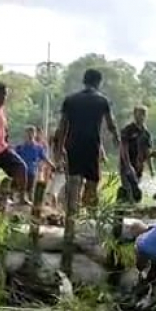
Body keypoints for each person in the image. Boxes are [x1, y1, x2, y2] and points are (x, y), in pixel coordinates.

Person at [56, 69, 119, 208]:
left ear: (84, 81)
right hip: (91, 145)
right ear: (98, 82)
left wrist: (60, 148)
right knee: (92, 182)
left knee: (73, 181)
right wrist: (116, 138)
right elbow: (111, 124)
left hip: (73, 145)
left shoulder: (70, 100)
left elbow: (62, 127)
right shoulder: (102, 100)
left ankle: (71, 216)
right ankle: (89, 216)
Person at [15, 126, 55, 203]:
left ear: (35, 134)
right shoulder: (20, 148)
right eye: (28, 133)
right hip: (22, 171)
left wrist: (52, 165)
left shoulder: (38, 147)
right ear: (25, 134)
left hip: (32, 171)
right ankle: (21, 200)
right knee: (21, 188)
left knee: (30, 189)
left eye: (32, 133)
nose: (30, 135)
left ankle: (31, 203)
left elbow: (44, 157)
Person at [120, 105, 154, 179]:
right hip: (127, 165)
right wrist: (128, 165)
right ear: (134, 115)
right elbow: (123, 149)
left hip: (139, 166)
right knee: (129, 188)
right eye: (139, 114)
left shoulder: (146, 133)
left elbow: (148, 152)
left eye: (143, 114)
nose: (141, 117)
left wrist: (151, 169)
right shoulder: (127, 130)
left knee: (136, 188)